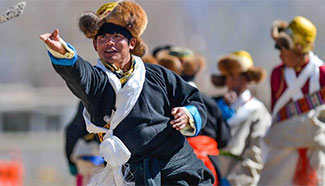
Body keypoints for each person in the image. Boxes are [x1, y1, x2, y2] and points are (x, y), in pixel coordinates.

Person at [40, 1, 213, 185]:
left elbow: (193, 99)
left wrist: (187, 115)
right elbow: (79, 73)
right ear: (95, 45)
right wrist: (61, 52)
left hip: (177, 168)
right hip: (131, 175)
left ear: (132, 43)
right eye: (103, 37)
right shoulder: (97, 82)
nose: (109, 42)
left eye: (116, 36)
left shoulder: (159, 75)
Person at [258, 16, 325, 185]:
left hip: (314, 153)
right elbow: (276, 116)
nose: (280, 54)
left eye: (283, 48)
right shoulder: (277, 74)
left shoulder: (321, 73)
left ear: (298, 49)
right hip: (281, 152)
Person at [157, 47, 231, 185]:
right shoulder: (210, 102)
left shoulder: (163, 102)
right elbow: (224, 139)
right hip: (209, 168)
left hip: (175, 167)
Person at [211, 50, 272, 186]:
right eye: (228, 76)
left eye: (237, 76)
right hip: (212, 172)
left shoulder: (257, 111)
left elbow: (256, 155)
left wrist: (233, 181)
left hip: (239, 179)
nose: (231, 81)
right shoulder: (216, 105)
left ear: (248, 78)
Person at [65, 102, 104, 186]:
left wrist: (70, 162)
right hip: (100, 155)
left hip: (85, 155)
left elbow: (72, 130)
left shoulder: (86, 99)